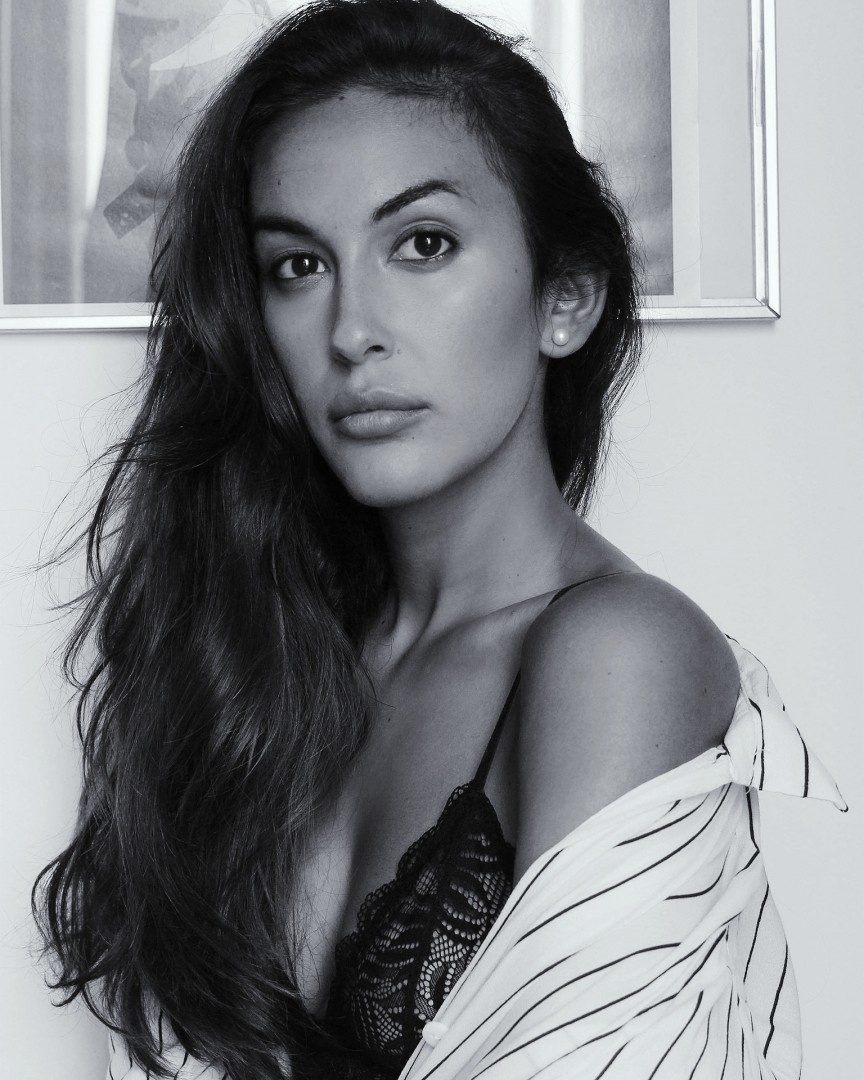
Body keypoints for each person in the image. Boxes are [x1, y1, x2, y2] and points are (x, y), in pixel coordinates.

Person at [32, 2, 845, 1078]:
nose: (352, 330)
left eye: (422, 244)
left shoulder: (619, 652)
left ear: (566, 297)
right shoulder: (259, 654)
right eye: (298, 265)